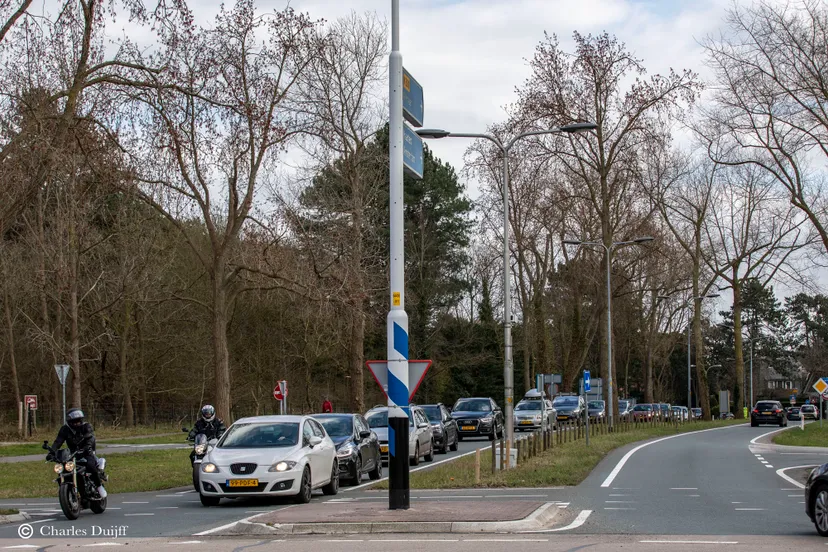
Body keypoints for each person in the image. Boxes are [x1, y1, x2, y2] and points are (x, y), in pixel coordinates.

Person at [49, 408, 106, 498]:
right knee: (63, 468)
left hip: (87, 452)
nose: (77, 423)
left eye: (78, 421)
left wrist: (87, 445)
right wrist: (52, 452)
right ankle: (66, 491)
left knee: (90, 466)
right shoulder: (65, 429)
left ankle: (99, 487)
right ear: (69, 422)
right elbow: (58, 441)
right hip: (72, 454)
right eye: (74, 422)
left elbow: (90, 437)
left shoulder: (86, 426)